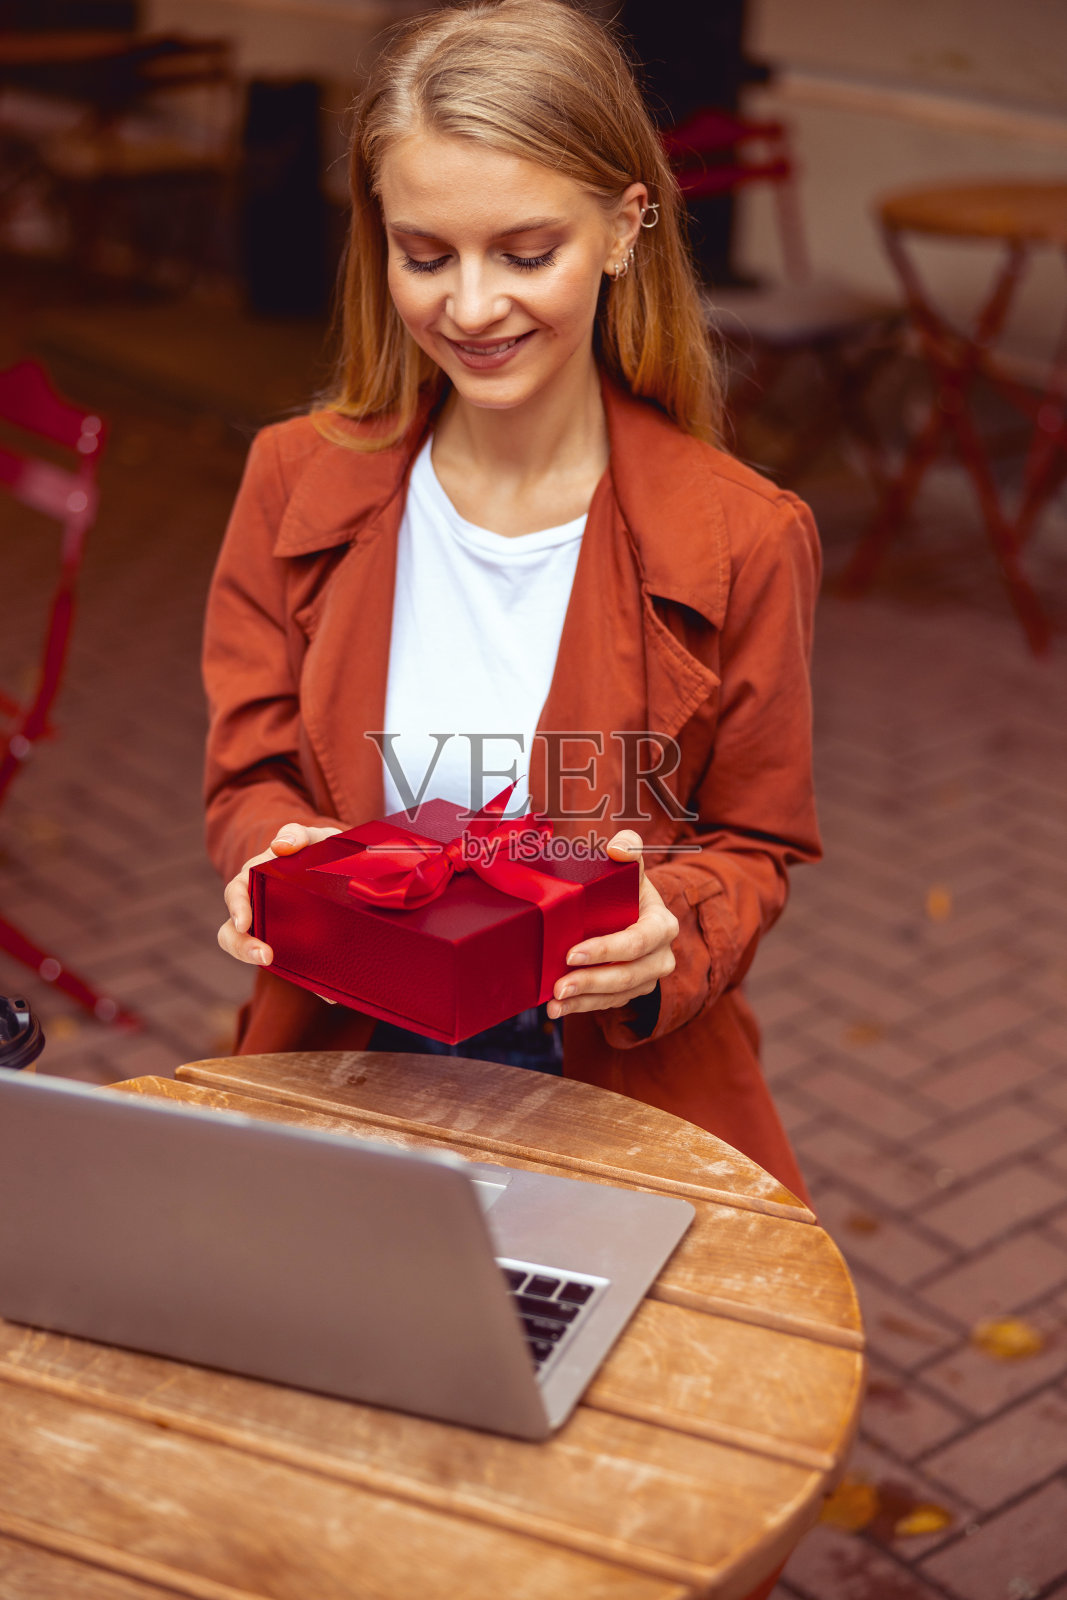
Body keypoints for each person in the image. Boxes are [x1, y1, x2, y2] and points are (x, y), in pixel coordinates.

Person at [205, 0, 821, 1216]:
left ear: (623, 225)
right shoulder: (293, 478)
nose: (470, 307)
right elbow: (251, 775)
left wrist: (668, 928)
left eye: (523, 252)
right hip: (344, 1060)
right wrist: (269, 860)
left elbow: (756, 844)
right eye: (424, 254)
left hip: (612, 1090)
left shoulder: (742, 535)